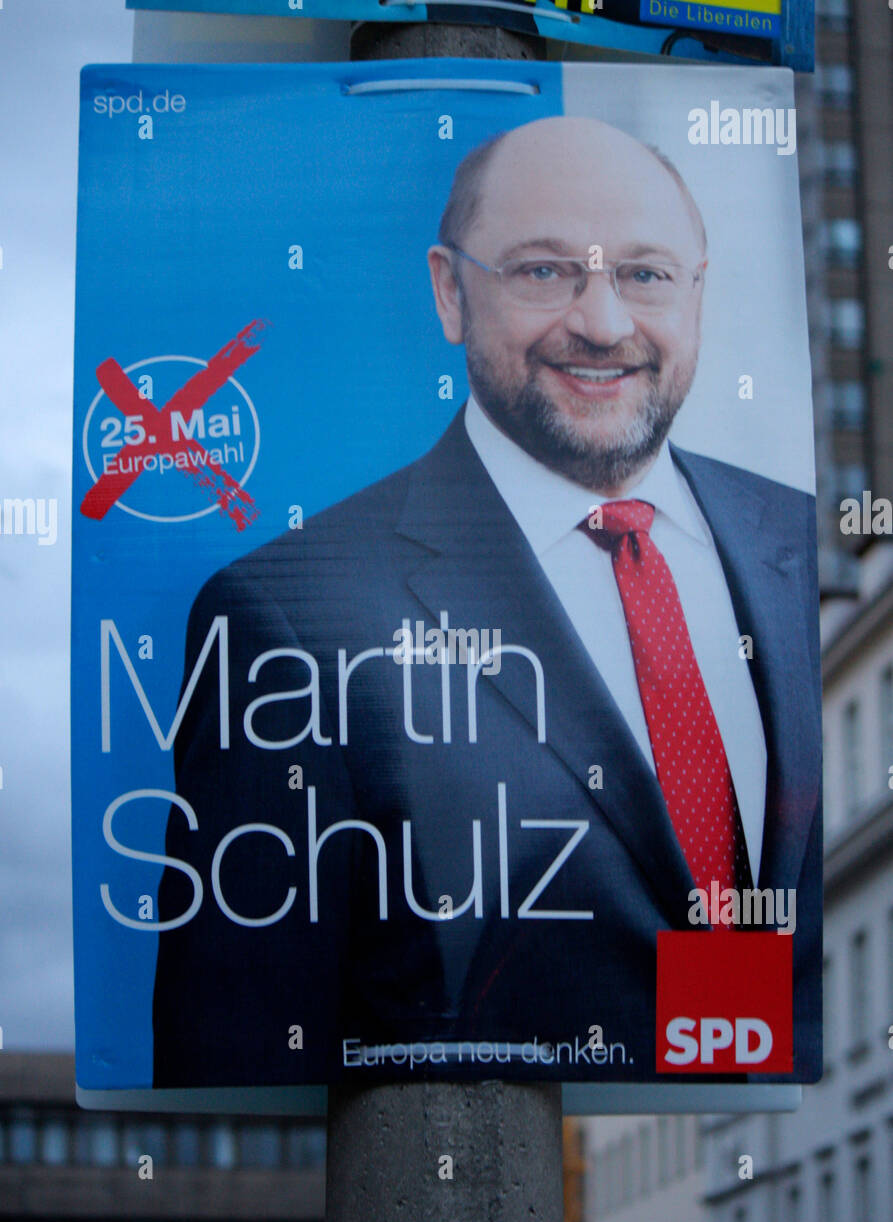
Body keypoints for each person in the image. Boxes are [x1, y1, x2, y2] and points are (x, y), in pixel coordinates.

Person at [152, 117, 821, 1087]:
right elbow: (234, 1055)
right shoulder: (284, 610)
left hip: (768, 1184)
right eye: (543, 271)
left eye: (644, 274)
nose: (601, 323)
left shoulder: (796, 542)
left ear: (698, 292)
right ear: (448, 290)